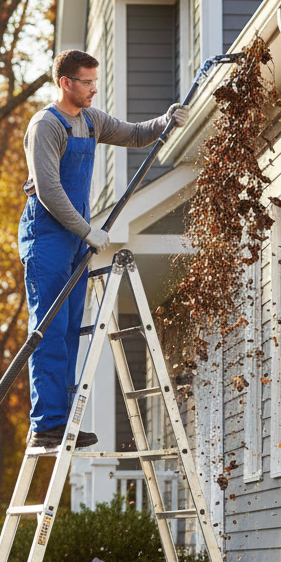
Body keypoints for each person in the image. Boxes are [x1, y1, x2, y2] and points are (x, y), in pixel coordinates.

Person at [20, 49, 190, 452]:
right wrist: (87, 230)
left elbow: (134, 134)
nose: (94, 89)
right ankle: (47, 423)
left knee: (70, 330)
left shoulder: (92, 121)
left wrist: (166, 121)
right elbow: (48, 191)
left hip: (76, 236)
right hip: (47, 234)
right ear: (66, 83)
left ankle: (63, 421)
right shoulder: (46, 125)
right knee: (49, 329)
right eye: (87, 82)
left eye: (96, 81)